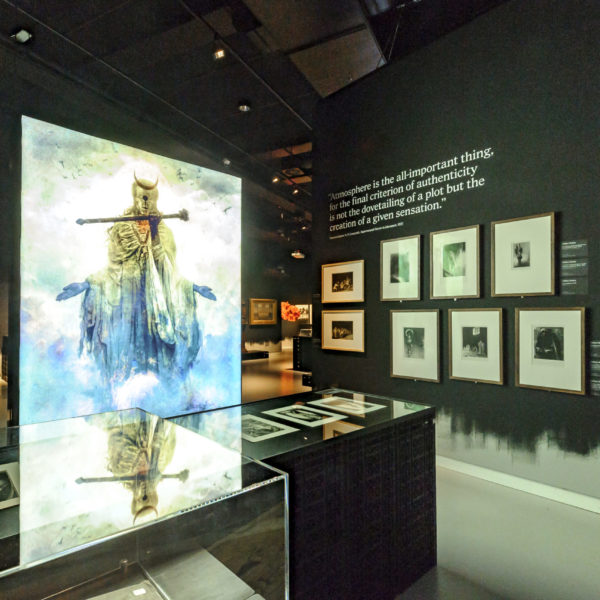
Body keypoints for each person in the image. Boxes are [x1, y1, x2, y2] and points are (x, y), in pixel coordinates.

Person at [57, 174, 216, 395]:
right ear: (134, 197)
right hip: (127, 303)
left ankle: (159, 400)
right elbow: (113, 269)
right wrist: (86, 284)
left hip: (155, 305)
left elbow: (169, 270)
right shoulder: (122, 229)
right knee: (125, 358)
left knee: (156, 359)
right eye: (141, 197)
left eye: (150, 198)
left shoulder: (164, 232)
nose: (145, 202)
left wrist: (194, 287)